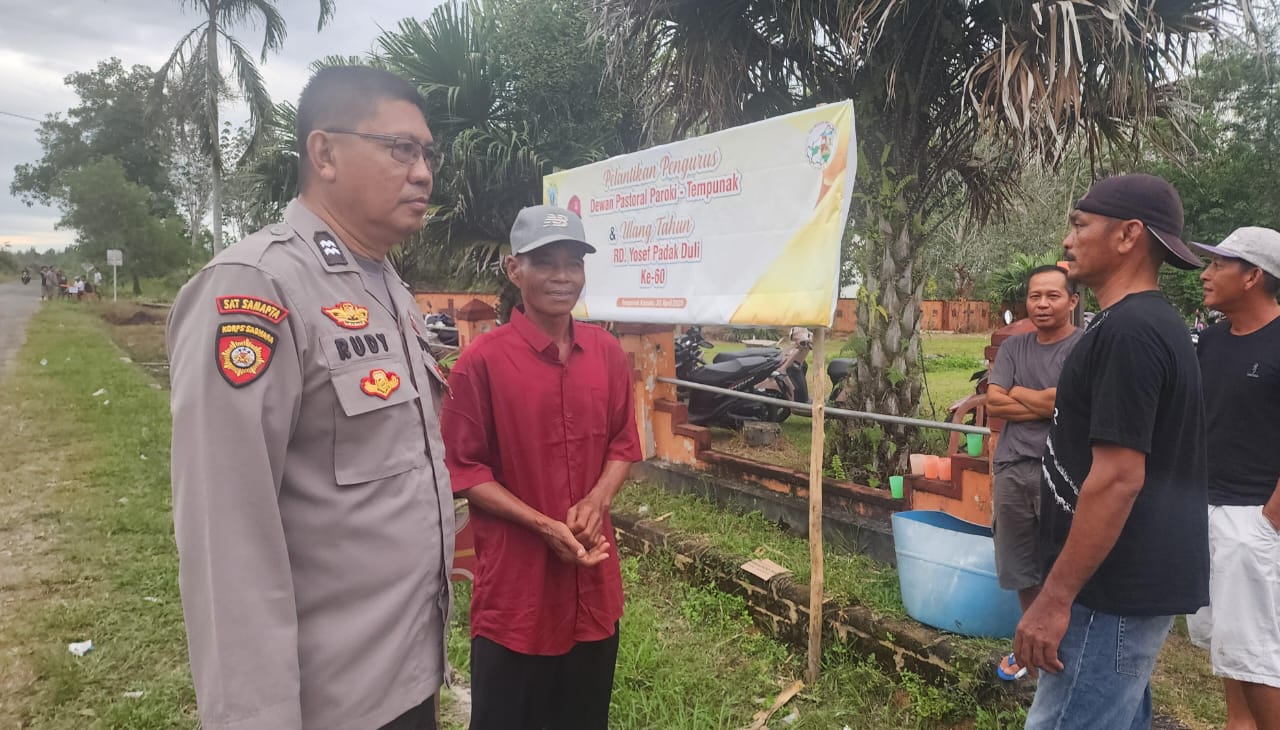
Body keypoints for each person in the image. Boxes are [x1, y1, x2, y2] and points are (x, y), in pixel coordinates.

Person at [167, 65, 453, 730]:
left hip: (405, 674)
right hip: (330, 703)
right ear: (323, 153)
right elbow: (226, 538)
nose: (423, 173)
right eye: (400, 149)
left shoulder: (386, 288)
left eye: (428, 153)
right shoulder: (257, 288)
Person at [1015, 173, 1209, 729]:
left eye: (1079, 225)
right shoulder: (1134, 325)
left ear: (1127, 235)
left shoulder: (1133, 333)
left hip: (1110, 593)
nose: (1067, 241)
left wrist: (1053, 599)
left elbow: (1119, 477)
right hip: (1113, 587)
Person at [441, 205, 643, 730]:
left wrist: (598, 500)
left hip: (593, 588)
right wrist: (543, 524)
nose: (562, 276)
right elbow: (463, 469)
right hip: (516, 596)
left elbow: (624, 443)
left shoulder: (605, 352)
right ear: (514, 270)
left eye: (573, 263)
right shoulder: (481, 362)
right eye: (545, 262)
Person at [1186, 227, 1280, 730]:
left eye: (1219, 264)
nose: (1206, 274)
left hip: (1255, 519)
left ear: (1253, 276)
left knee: (1259, 656)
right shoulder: (1214, 339)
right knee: (1228, 649)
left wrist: (1269, 521)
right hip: (1208, 508)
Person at [985, 264, 1081, 680]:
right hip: (1011, 466)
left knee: (1062, 561)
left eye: (1052, 296)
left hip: (1061, 470)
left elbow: (1071, 404)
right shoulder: (1013, 348)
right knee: (1019, 559)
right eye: (1034, 296)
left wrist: (1018, 394)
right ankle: (1031, 645)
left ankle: (1067, 646)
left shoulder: (1083, 348)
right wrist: (1043, 401)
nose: (1042, 304)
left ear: (1072, 302)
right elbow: (994, 403)